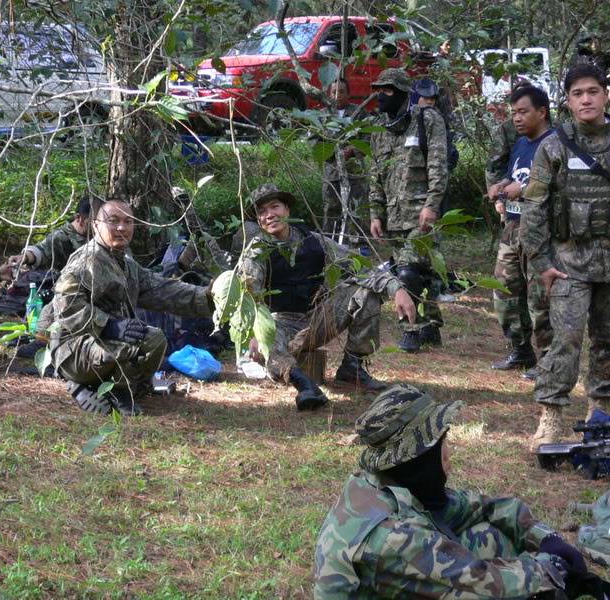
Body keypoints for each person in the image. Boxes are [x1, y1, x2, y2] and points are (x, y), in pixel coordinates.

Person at [313, 384, 588, 599]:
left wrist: (547, 538)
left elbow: (485, 506)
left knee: (489, 535)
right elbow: (485, 584)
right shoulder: (394, 536)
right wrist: (555, 568)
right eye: (442, 441)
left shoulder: (390, 485)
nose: (448, 452)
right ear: (421, 455)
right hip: (410, 569)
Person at [239, 185, 416, 407]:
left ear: (287, 210)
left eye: (275, 207)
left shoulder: (315, 242)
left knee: (365, 292)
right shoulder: (256, 251)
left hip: (318, 317)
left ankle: (353, 368)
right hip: (280, 323)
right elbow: (248, 296)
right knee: (270, 344)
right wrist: (254, 332)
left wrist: (397, 288)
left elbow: (360, 267)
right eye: (262, 211)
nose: (269, 215)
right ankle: (304, 384)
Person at [49, 198, 214, 416]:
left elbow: (164, 290)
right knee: (138, 345)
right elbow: (65, 306)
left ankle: (115, 387)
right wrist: (109, 325)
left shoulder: (125, 264)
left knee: (154, 339)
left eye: (128, 222)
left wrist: (208, 297)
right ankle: (94, 384)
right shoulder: (86, 260)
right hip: (74, 348)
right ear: (96, 225)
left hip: (103, 342)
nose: (121, 228)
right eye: (113, 221)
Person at [521, 63, 610, 450]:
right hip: (569, 262)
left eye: (593, 91)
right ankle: (551, 416)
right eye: (578, 93)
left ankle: (600, 413)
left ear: (606, 95)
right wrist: (541, 263)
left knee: (608, 339)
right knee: (566, 339)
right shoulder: (554, 145)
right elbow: (534, 207)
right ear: (568, 101)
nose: (586, 99)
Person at [368, 68, 449, 353]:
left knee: (407, 272)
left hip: (421, 214)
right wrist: (375, 213)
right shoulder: (378, 130)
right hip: (393, 216)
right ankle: (431, 327)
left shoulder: (427, 120)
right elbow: (375, 175)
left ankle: (411, 329)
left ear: (403, 94)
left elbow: (438, 166)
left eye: (387, 90)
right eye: (378, 89)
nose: (380, 95)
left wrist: (432, 205)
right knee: (421, 271)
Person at [487, 85, 554, 378]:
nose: (516, 118)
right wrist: (501, 187)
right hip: (512, 228)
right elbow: (515, 176)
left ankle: (550, 360)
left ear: (542, 112)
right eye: (514, 112)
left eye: (523, 111)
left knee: (540, 299)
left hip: (541, 231)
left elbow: (559, 185)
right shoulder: (522, 143)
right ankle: (520, 349)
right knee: (505, 291)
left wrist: (522, 190)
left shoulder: (554, 144)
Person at [0, 195, 92, 356]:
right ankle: (42, 341)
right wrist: (24, 257)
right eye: (94, 220)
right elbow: (42, 250)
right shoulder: (62, 237)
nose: (98, 225)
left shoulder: (104, 237)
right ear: (80, 218)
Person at [321, 75, 370, 246]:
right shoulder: (323, 115)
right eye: (334, 92)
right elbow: (314, 141)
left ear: (348, 94)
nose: (337, 96)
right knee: (331, 208)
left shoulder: (358, 113)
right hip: (332, 172)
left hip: (355, 170)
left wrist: (352, 150)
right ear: (329, 94)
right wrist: (332, 153)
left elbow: (368, 137)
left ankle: (360, 244)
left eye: (341, 92)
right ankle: (329, 243)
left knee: (357, 206)